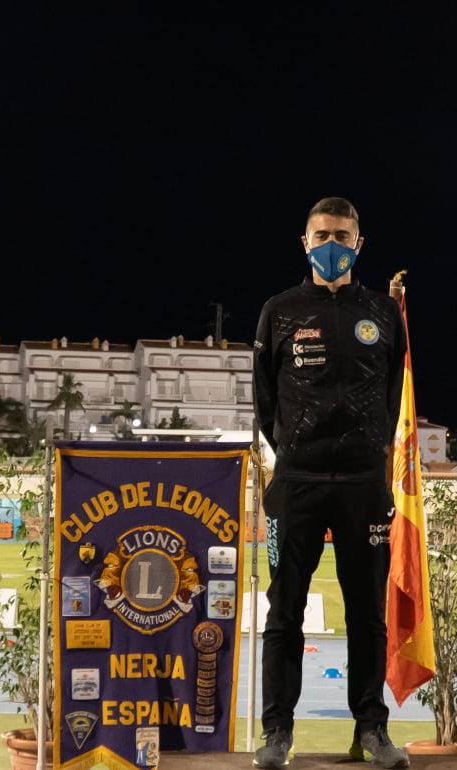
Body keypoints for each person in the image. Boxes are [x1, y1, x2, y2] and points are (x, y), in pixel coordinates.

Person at [252, 197, 408, 769]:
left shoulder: (384, 313)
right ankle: (277, 734)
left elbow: (394, 396)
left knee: (367, 612)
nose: (332, 244)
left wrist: (369, 450)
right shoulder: (280, 310)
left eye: (342, 234)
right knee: (284, 612)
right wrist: (294, 450)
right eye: (322, 235)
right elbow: (265, 398)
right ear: (305, 242)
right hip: (296, 481)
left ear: (359, 243)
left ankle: (371, 730)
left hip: (364, 483)